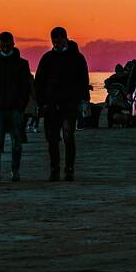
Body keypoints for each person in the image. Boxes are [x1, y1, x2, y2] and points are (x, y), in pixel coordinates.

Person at [34, 26, 90, 180]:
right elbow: (39, 82)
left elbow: (83, 80)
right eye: (55, 42)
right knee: (52, 139)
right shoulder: (47, 58)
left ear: (66, 39)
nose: (57, 44)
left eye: (60, 41)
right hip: (51, 105)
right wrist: (41, 102)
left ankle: (69, 168)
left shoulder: (77, 58)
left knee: (68, 135)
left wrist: (83, 100)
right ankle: (55, 169)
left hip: (70, 104)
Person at [0, 31, 32, 183]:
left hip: (15, 108)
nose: (5, 47)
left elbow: (26, 87)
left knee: (16, 142)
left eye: (8, 45)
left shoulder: (22, 64)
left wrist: (21, 107)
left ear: (13, 44)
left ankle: (15, 171)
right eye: (3, 45)